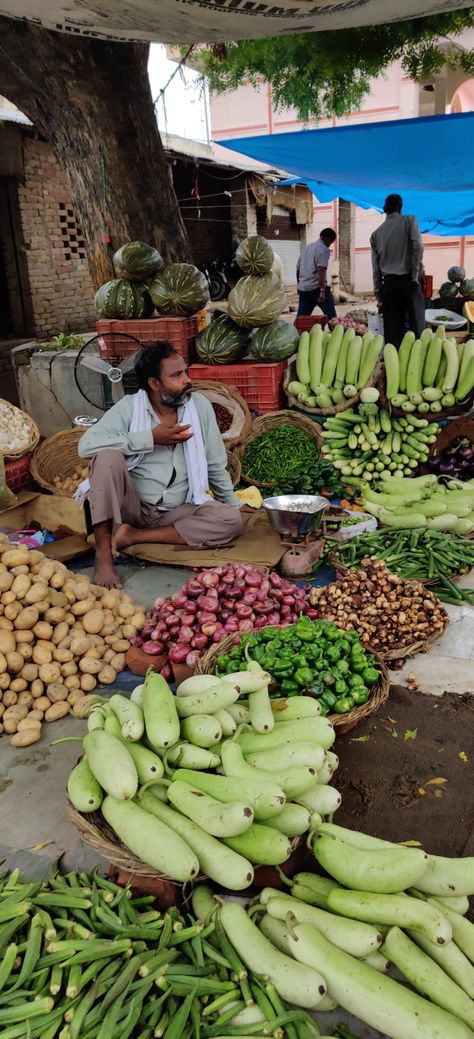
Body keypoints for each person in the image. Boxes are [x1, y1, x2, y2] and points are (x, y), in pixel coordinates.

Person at [77, 342, 243, 588]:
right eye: (176, 375)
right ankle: (103, 556)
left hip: (176, 508)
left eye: (186, 372)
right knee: (107, 458)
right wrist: (151, 438)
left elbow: (214, 464)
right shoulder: (130, 407)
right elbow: (86, 445)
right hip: (131, 506)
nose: (187, 380)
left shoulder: (199, 407)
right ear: (154, 384)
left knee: (231, 520)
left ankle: (133, 536)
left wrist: (231, 504)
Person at [370, 193, 425, 348]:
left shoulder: (376, 234)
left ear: (384, 209)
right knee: (417, 328)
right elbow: (418, 248)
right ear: (400, 208)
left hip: (389, 284)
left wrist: (379, 294)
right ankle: (419, 362)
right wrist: (415, 275)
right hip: (409, 280)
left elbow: (376, 269)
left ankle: (393, 366)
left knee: (392, 332)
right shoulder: (409, 220)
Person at [296, 229, 337, 320]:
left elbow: (298, 268)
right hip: (317, 289)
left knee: (301, 319)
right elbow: (321, 270)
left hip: (304, 289)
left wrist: (299, 285)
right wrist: (322, 291)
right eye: (331, 241)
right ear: (328, 238)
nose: (330, 244)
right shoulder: (324, 250)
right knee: (332, 319)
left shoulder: (306, 248)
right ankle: (335, 331)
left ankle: (298, 333)